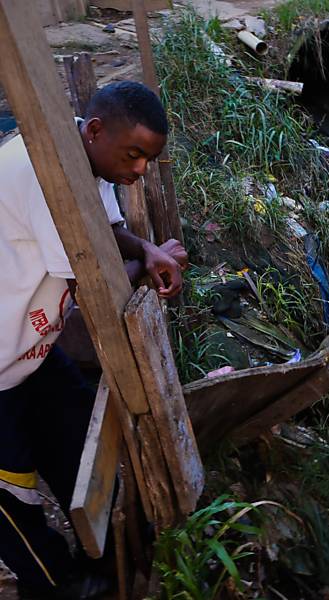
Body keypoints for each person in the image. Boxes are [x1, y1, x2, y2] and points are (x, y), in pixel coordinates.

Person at [0, 81, 186, 599]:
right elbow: (97, 288)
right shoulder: (47, 174)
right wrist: (148, 265)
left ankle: (105, 560)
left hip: (27, 354)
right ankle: (61, 584)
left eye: (148, 160)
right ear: (96, 130)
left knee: (79, 444)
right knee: (12, 500)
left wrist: (145, 249)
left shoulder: (85, 158)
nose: (141, 170)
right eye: (134, 155)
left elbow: (104, 231)